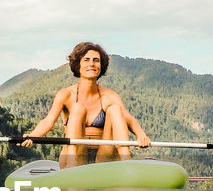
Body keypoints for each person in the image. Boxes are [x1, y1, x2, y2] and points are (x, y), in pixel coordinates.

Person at [21, 42, 151, 168]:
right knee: (77, 108)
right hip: (76, 154)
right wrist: (33, 136)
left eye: (96, 60)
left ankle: (127, 164)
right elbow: (48, 121)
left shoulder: (109, 96)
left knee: (115, 109)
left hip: (104, 156)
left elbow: (128, 119)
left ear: (101, 65)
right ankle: (72, 167)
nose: (92, 64)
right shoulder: (65, 94)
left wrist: (141, 135)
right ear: (78, 65)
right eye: (86, 60)